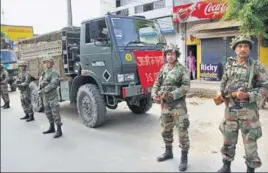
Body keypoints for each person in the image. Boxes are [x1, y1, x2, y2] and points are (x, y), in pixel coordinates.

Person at [216, 35, 268, 173]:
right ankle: (226, 166)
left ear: (249, 49)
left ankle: (250, 170)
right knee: (228, 141)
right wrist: (220, 93)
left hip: (248, 112)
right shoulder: (229, 64)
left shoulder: (257, 66)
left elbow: (265, 88)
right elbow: (223, 84)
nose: (242, 49)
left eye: (246, 46)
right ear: (235, 49)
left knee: (250, 144)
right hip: (231, 110)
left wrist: (249, 95)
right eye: (239, 46)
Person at [151, 43, 190, 171]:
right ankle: (168, 152)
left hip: (178, 106)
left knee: (182, 131)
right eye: (168, 54)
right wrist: (154, 95)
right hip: (165, 106)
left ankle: (184, 159)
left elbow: (185, 87)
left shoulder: (182, 69)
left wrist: (171, 95)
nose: (170, 56)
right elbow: (157, 83)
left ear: (176, 55)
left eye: (172, 54)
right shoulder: (164, 68)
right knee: (166, 129)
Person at [39, 55, 63, 138]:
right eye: (45, 63)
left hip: (52, 96)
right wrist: (40, 88)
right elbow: (41, 82)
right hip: (45, 97)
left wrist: (45, 89)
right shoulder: (45, 72)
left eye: (48, 62)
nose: (46, 64)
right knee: (48, 113)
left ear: (51, 63)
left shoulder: (54, 72)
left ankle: (59, 130)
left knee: (55, 113)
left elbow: (54, 83)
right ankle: (52, 127)